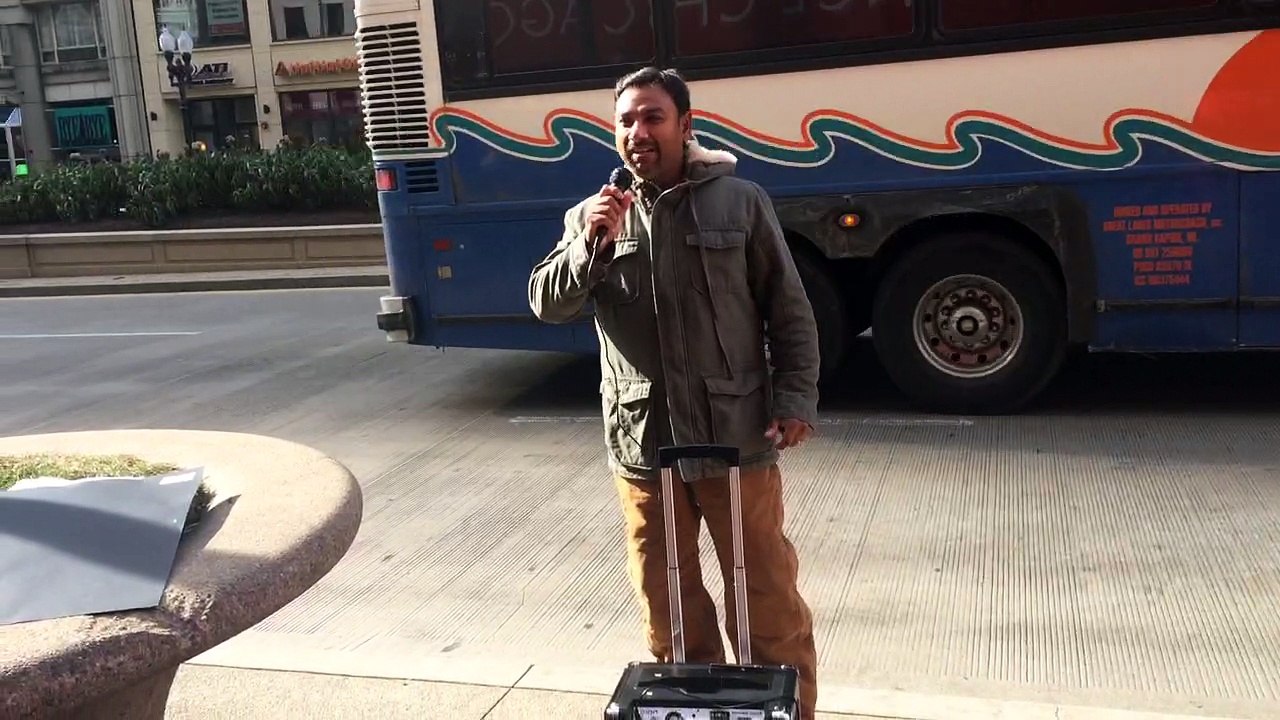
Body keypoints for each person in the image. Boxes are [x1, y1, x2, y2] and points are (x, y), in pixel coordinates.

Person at [527, 66, 821, 718]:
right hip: (645, 448)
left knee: (767, 605)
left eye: (652, 117)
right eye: (626, 120)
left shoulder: (739, 202)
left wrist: (796, 398)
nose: (638, 131)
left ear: (685, 125)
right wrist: (588, 247)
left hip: (735, 439)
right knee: (672, 616)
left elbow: (789, 309)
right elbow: (546, 302)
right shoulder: (592, 216)